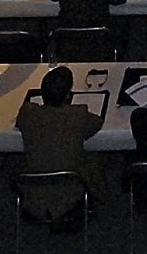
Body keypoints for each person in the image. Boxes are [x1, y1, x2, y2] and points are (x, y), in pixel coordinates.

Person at [14, 66, 106, 223]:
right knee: (95, 157)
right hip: (70, 192)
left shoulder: (27, 113)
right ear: (68, 95)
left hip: (33, 191)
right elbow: (97, 123)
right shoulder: (77, 115)